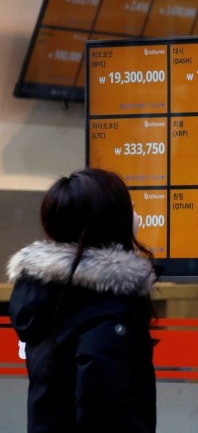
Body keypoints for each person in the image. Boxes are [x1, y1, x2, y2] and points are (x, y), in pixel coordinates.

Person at [6, 168, 158, 432]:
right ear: (109, 220)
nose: (137, 215)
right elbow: (102, 398)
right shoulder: (106, 302)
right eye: (130, 207)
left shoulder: (47, 294)